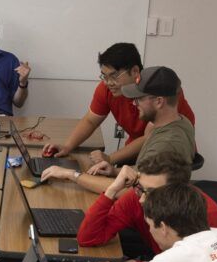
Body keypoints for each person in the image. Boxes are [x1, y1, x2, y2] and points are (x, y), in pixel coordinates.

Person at [41, 65, 196, 194]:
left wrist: (71, 174)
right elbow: (144, 175)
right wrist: (115, 171)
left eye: (139, 99)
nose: (134, 104)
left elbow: (126, 193)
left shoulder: (166, 146)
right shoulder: (180, 122)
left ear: (159, 102)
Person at [42, 43, 196, 166]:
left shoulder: (160, 90)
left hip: (164, 153)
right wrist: (67, 147)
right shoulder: (106, 89)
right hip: (135, 150)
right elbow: (90, 120)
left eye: (114, 76)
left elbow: (151, 137)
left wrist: (110, 159)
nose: (109, 83)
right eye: (104, 76)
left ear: (135, 71)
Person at [74, 151, 217, 262]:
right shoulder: (137, 195)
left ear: (176, 192)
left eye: (151, 192)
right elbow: (88, 238)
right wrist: (112, 190)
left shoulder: (204, 214)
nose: (141, 199)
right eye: (140, 187)